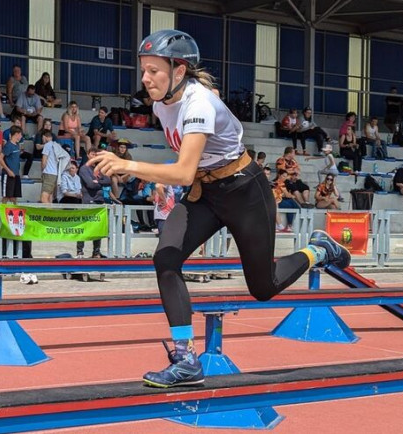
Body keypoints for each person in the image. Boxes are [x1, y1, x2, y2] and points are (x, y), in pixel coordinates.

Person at [87, 30, 350, 388]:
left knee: (263, 287)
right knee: (165, 258)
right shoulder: (162, 102)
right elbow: (190, 169)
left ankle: (320, 250)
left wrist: (127, 165)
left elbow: (181, 171)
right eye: (143, 70)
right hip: (205, 193)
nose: (145, 79)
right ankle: (185, 359)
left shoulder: (199, 104)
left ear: (179, 71)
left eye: (153, 71)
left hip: (245, 191)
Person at [78, 147, 110, 258]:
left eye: (96, 155)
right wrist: (100, 183)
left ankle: (96, 252)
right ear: (88, 155)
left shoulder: (99, 169)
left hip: (99, 201)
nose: (94, 157)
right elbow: (90, 184)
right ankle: (80, 251)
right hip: (88, 201)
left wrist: (98, 181)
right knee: (84, 227)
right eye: (92, 154)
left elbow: (108, 180)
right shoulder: (84, 168)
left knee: (97, 228)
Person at [39, 130, 68, 203]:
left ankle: (48, 213)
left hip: (48, 173)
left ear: (44, 137)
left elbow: (44, 161)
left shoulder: (47, 145)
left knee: (44, 197)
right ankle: (50, 212)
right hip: (55, 174)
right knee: (50, 197)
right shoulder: (57, 145)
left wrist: (42, 170)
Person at [0, 125, 23, 204]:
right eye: (20, 134)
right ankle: (1, 214)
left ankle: (15, 214)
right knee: (6, 196)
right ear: (16, 134)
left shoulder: (17, 145)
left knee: (14, 196)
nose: (21, 136)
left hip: (16, 174)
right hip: (8, 174)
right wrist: (8, 171)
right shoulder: (8, 145)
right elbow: (0, 158)